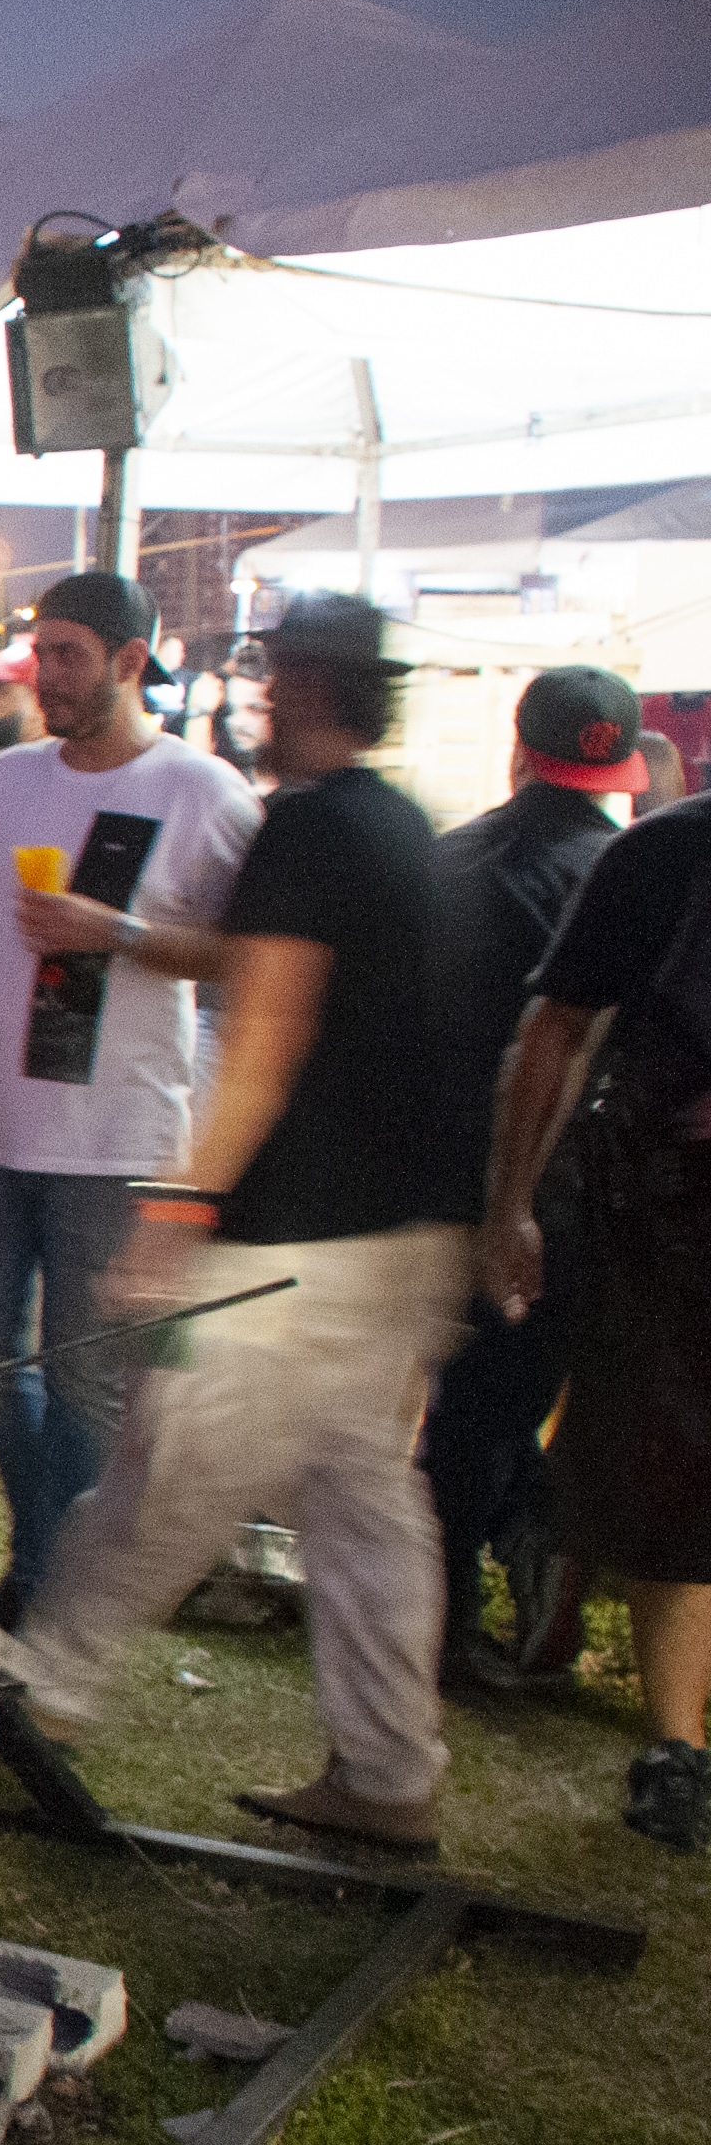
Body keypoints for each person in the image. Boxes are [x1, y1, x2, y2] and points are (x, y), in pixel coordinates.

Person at [0, 597, 465, 1848]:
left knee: (162, 1476)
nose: (256, 694)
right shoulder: (400, 825)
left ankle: (42, 1698)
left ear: (302, 687)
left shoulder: (308, 831)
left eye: (269, 676)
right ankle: (387, 1772)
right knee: (362, 1506)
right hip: (398, 1237)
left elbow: (264, 1032)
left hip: (291, 1243)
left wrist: (179, 1204)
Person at [0, 573, 257, 1629]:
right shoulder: (11, 779)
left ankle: (52, 1587)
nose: (43, 675)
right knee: (1, 1373)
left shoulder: (202, 792)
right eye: (37, 653)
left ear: (130, 661)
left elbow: (248, 955)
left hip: (118, 1134)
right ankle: (43, 1564)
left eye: (67, 655)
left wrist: (120, 934)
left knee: (85, 1378)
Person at [475, 734, 711, 1849]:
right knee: (670, 1466)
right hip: (665, 1215)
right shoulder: (663, 854)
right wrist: (510, 1204)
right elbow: (552, 1028)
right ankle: (675, 1747)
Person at [411, 668, 642, 1677]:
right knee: (514, 1403)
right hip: (562, 1184)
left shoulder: (449, 859)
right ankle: (513, 1587)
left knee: (453, 1405)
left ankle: (449, 1614)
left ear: (517, 747)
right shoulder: (627, 870)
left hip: (434, 1163)